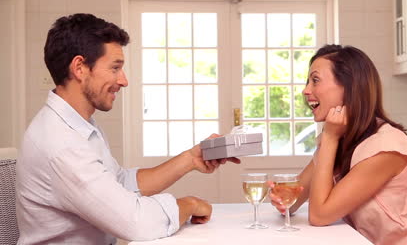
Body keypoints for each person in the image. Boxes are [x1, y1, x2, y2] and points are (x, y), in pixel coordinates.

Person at [16, 13, 240, 245]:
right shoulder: (60, 143)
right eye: (115, 68)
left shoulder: (77, 127)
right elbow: (137, 223)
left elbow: (119, 184)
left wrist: (191, 159)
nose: (123, 80)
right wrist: (189, 204)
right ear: (80, 68)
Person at [269, 44, 407, 245]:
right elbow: (294, 199)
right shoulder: (342, 139)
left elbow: (319, 216)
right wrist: (281, 196)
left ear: (349, 87)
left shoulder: (386, 146)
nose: (306, 90)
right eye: (307, 81)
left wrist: (329, 138)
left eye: (315, 80)